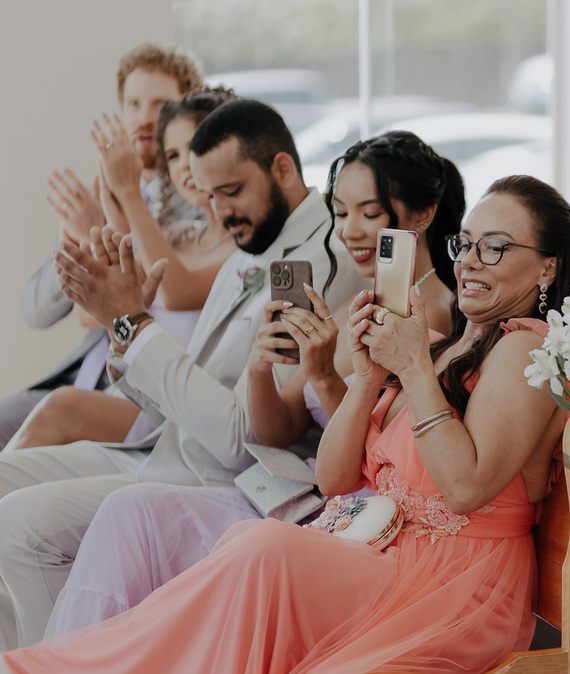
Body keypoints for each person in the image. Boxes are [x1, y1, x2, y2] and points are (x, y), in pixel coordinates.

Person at [3, 175, 570, 673]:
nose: (471, 261)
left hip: (456, 582)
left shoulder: (526, 352)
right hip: (381, 548)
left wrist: (411, 368)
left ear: (548, 266)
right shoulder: (446, 346)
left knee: (265, 551)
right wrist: (366, 378)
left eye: (497, 247)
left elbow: (466, 488)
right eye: (467, 243)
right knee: (251, 549)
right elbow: (335, 480)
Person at [43, 130, 466, 637]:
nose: (349, 231)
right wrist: (260, 369)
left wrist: (328, 378)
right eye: (340, 210)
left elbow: (386, 459)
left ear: (423, 214)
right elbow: (276, 430)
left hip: (349, 511)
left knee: (137, 516)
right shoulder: (366, 301)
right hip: (283, 481)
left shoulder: (438, 316)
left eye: (369, 214)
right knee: (126, 510)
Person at [0, 99, 364, 649]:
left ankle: (56, 660)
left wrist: (134, 323)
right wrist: (119, 330)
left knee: (18, 526)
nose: (219, 214)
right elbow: (165, 399)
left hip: (213, 481)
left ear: (283, 169)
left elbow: (239, 439)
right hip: (157, 451)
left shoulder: (322, 264)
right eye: (209, 195)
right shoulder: (251, 245)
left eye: (231, 191)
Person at [6, 86, 240, 451]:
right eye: (172, 155)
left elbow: (175, 291)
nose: (184, 166)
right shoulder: (178, 236)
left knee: (61, 406)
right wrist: (103, 207)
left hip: (172, 407)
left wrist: (129, 191)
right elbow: (106, 294)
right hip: (128, 386)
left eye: (193, 148)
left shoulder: (241, 249)